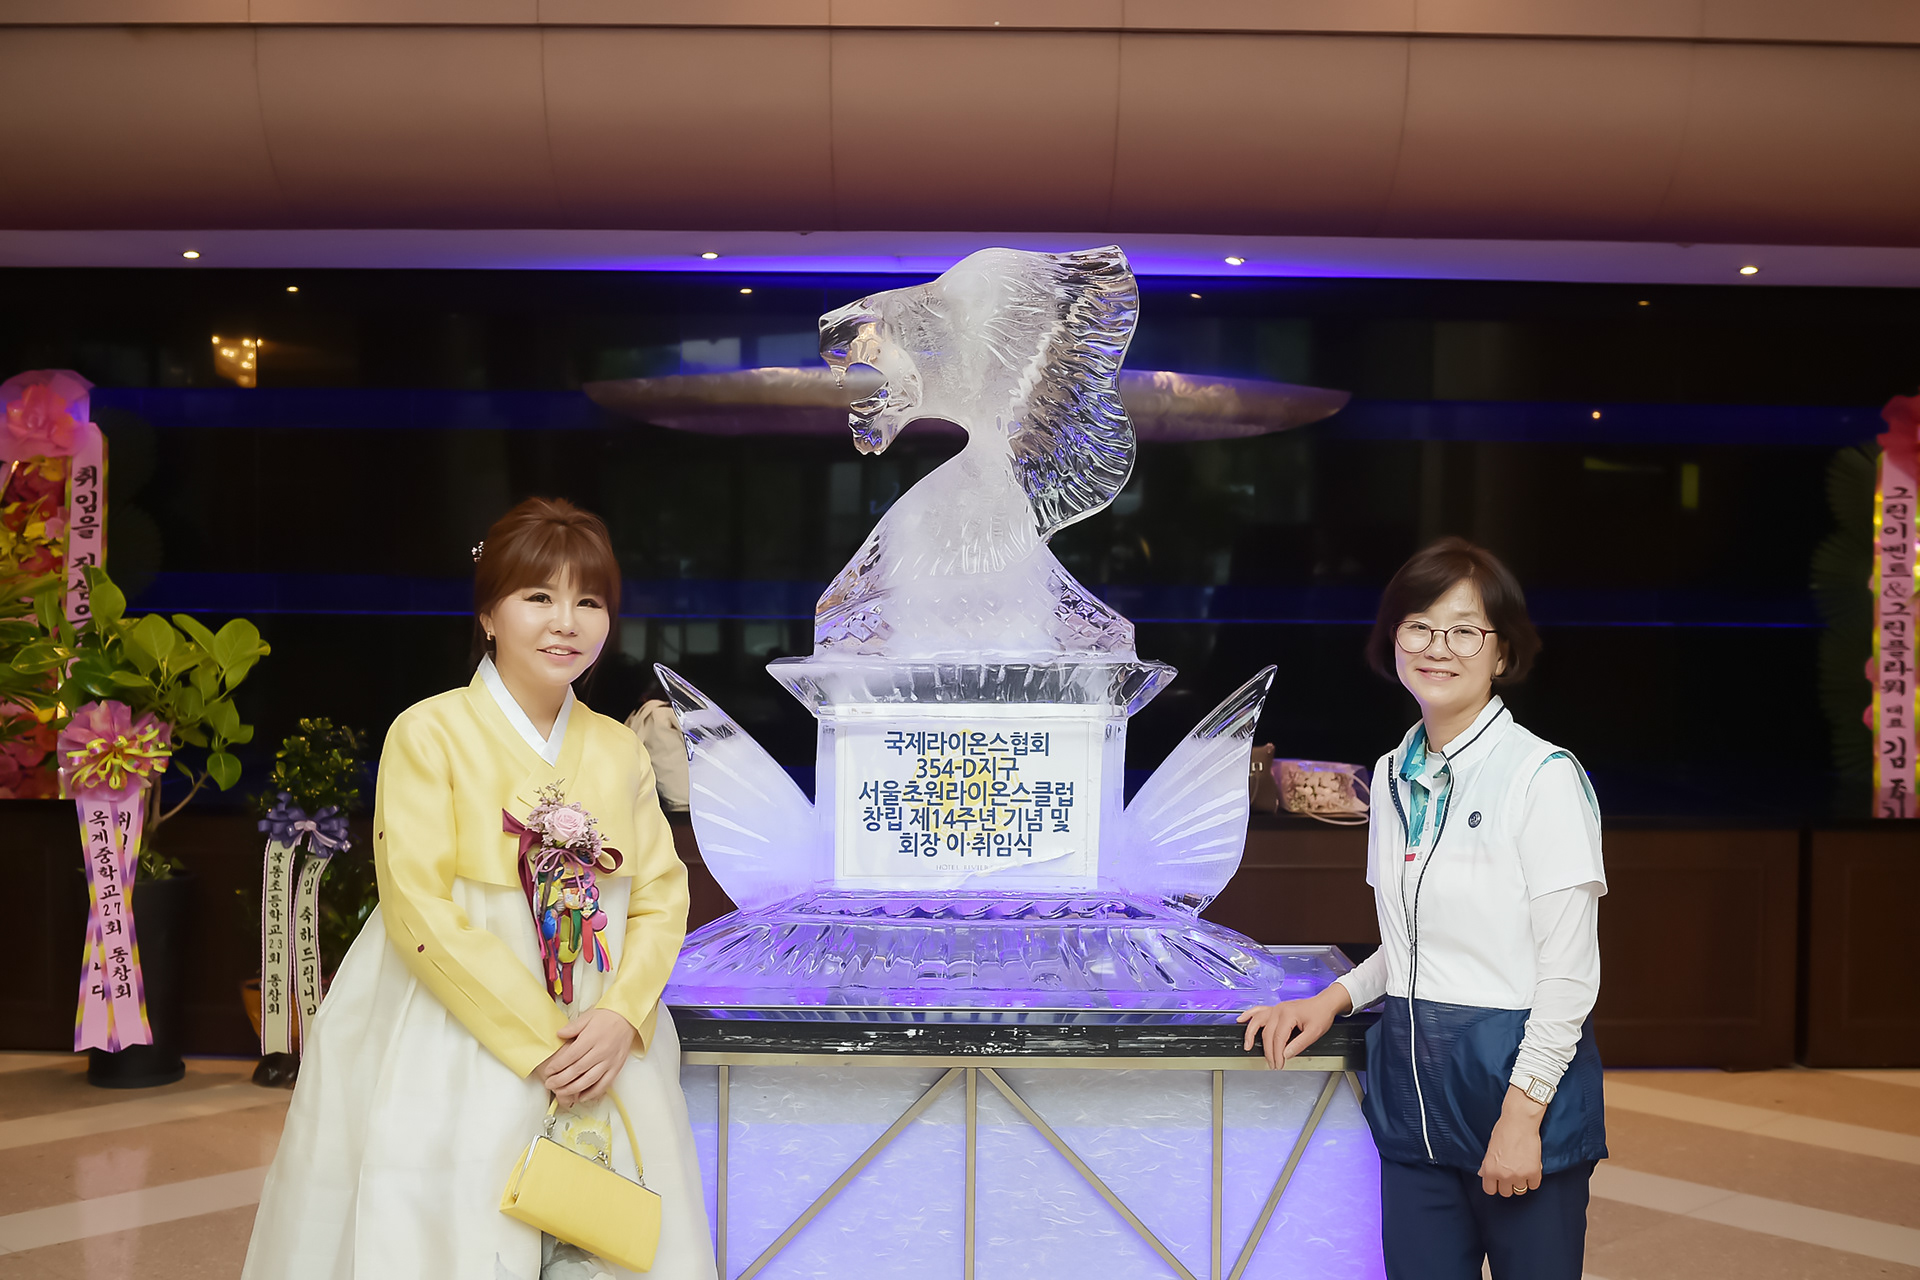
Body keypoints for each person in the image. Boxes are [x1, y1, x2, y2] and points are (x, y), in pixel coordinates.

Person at [244, 498, 716, 1280]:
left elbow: (661, 893)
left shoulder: (617, 748)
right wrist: (541, 1042)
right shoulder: (428, 732)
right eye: (538, 596)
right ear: (489, 614)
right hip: (458, 1024)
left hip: (602, 1034)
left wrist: (619, 1016)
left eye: (589, 602)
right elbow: (419, 906)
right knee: (456, 1232)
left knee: (611, 1235)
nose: (565, 622)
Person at [1237, 537, 1606, 1280]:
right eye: (1420, 626)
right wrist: (1331, 1000)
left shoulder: (1542, 776)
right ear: (1394, 640)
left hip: (1513, 1089)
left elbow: (1569, 976)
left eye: (1465, 630)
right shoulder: (1390, 775)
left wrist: (1521, 1115)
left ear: (1503, 652)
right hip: (1413, 1097)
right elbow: (1410, 943)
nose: (1439, 647)